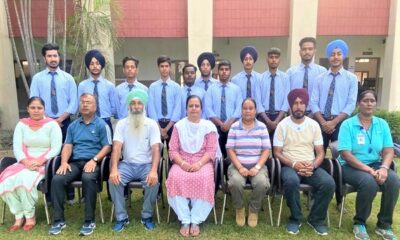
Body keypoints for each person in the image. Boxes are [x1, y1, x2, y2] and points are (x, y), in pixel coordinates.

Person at [337, 90, 400, 240]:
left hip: (375, 163)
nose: (369, 103)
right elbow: (346, 154)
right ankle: (360, 223)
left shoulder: (382, 124)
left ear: (375, 104)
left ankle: (384, 225)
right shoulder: (348, 124)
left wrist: (384, 168)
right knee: (369, 182)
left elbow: (388, 150)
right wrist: (369, 170)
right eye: (365, 100)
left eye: (372, 100)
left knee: (393, 181)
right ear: (359, 103)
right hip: (349, 165)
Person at [48, 93, 112, 236]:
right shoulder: (73, 125)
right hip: (75, 162)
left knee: (88, 178)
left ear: (95, 107)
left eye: (88, 102)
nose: (84, 104)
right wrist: (64, 162)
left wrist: (94, 160)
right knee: (57, 179)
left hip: (93, 161)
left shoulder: (102, 125)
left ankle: (89, 221)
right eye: (82, 102)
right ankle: (58, 220)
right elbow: (68, 145)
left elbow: (107, 147)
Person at [274, 88, 335, 236]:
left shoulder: (313, 125)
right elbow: (277, 152)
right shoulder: (282, 125)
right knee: (291, 182)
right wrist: (294, 164)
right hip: (289, 165)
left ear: (306, 105)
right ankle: (296, 219)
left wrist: (313, 165)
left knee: (328, 183)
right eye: (295, 103)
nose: (298, 106)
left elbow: (320, 152)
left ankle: (316, 219)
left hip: (310, 165)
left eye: (302, 103)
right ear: (290, 106)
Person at [0, 97, 62, 231]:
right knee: (6, 181)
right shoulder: (22, 125)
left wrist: (40, 161)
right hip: (24, 161)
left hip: (44, 162)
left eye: (39, 108)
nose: (36, 111)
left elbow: (56, 148)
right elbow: (17, 147)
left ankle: (29, 216)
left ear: (44, 109)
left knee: (24, 179)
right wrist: (26, 162)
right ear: (27, 109)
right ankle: (18, 215)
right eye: (33, 108)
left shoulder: (52, 125)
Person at [309, 39, 358, 210]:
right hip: (320, 122)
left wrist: (335, 122)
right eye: (332, 54)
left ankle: (339, 199)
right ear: (328, 57)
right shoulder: (319, 78)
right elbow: (313, 102)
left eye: (339, 54)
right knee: (316, 157)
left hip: (341, 123)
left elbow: (351, 104)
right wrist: (323, 122)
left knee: (341, 160)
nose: (335, 57)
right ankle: (314, 194)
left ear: (343, 56)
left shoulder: (351, 79)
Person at [109, 88, 161, 232]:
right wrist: (114, 169)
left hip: (146, 165)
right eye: (133, 103)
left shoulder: (151, 124)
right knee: (113, 181)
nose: (136, 106)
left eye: (139, 103)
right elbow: (117, 148)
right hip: (127, 165)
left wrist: (154, 171)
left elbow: (156, 149)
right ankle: (121, 217)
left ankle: (147, 216)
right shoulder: (121, 124)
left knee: (153, 182)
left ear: (144, 105)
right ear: (129, 106)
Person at [166, 95, 218, 237]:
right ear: (186, 109)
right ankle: (184, 219)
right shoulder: (179, 126)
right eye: (191, 106)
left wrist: (199, 163)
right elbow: (173, 150)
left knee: (204, 179)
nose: (194, 108)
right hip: (181, 160)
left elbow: (211, 150)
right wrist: (182, 163)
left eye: (197, 106)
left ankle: (195, 220)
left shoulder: (209, 127)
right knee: (175, 177)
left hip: (203, 161)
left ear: (201, 109)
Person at [226, 98, 271, 227]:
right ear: (241, 110)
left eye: (251, 108)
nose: (248, 111)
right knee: (235, 182)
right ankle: (239, 209)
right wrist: (239, 167)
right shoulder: (234, 127)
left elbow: (266, 150)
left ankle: (253, 210)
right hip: (237, 164)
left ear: (255, 111)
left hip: (257, 165)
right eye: (245, 108)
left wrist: (257, 167)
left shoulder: (262, 127)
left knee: (262, 183)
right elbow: (230, 150)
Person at [30, 43, 77, 141]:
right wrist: (49, 120)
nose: (53, 59)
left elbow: (74, 103)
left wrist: (59, 119)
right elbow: (34, 102)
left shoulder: (68, 78)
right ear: (44, 58)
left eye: (55, 56)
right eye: (49, 56)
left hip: (65, 122)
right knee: (45, 152)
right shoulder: (37, 79)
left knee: (65, 151)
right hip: (43, 122)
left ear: (59, 57)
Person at [204, 60, 242, 158]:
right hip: (216, 127)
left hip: (232, 127)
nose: (224, 72)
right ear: (217, 71)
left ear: (230, 71)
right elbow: (208, 109)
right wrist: (221, 124)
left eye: (226, 69)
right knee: (217, 155)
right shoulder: (211, 89)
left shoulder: (236, 89)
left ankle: (229, 172)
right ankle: (219, 173)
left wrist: (229, 123)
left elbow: (239, 108)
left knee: (232, 155)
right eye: (221, 69)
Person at [78, 49, 119, 132]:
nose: (95, 66)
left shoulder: (109, 86)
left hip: (105, 121)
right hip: (87, 121)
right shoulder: (82, 85)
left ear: (101, 65)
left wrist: (106, 115)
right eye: (92, 64)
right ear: (88, 66)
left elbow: (114, 107)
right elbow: (80, 104)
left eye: (97, 63)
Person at [286, 37, 327, 116]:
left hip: (316, 114)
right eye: (304, 49)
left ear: (314, 51)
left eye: (310, 49)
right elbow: (287, 95)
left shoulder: (322, 72)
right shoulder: (290, 72)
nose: (307, 52)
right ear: (300, 52)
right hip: (294, 113)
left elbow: (323, 96)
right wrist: (291, 114)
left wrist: (313, 114)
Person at [147, 55, 182, 147]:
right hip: (156, 123)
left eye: (166, 66)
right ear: (158, 67)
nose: (164, 69)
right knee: (156, 152)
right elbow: (151, 108)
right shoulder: (152, 87)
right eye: (162, 66)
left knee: (173, 152)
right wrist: (159, 128)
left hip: (172, 124)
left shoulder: (176, 87)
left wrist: (166, 129)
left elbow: (177, 108)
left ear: (170, 67)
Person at [256, 48, 289, 143]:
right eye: (271, 57)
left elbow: (286, 102)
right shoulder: (260, 78)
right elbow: (258, 101)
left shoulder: (285, 78)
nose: (274, 60)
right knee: (262, 146)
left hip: (280, 116)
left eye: (276, 57)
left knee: (278, 146)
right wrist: (268, 122)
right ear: (267, 60)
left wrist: (277, 121)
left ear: (280, 60)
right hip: (263, 117)